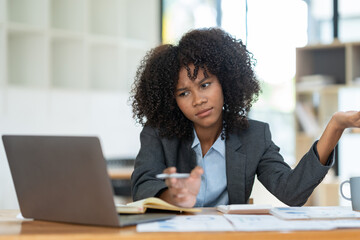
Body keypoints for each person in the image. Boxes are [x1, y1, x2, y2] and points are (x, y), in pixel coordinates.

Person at [130, 27, 360, 208]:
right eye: (184, 93)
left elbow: (293, 192)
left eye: (205, 84)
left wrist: (336, 126)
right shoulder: (158, 133)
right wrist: (173, 196)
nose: (198, 100)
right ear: (172, 100)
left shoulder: (254, 136)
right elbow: (143, 185)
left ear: (225, 82)